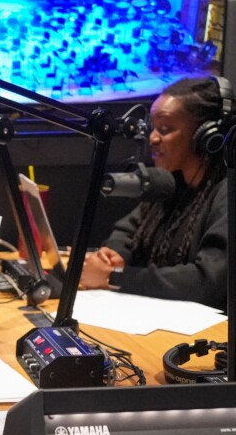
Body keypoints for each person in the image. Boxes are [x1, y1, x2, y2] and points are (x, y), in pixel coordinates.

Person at [80, 76, 229, 311]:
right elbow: (127, 230)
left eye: (165, 129)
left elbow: (208, 281)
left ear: (207, 136)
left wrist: (115, 276)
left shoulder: (226, 193)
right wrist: (114, 254)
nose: (153, 138)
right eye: (153, 128)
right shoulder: (172, 184)